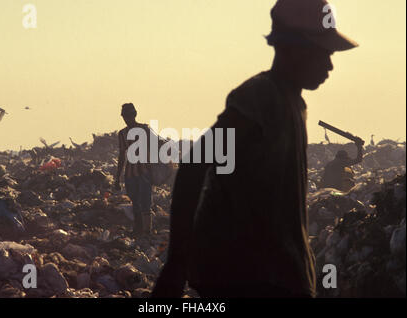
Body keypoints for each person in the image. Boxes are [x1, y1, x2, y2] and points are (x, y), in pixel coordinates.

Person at [152, 0, 358, 298]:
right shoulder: (260, 97)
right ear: (293, 48)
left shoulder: (293, 104)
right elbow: (195, 163)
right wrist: (176, 264)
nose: (329, 65)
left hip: (277, 277)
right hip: (248, 277)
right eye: (323, 53)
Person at [115, 103, 153, 236]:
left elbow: (154, 148)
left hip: (145, 172)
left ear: (134, 115)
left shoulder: (144, 129)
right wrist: (117, 178)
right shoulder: (122, 134)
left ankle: (147, 231)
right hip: (130, 174)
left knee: (145, 202)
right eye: (125, 116)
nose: (127, 119)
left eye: (129, 116)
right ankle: (138, 229)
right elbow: (121, 156)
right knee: (135, 202)